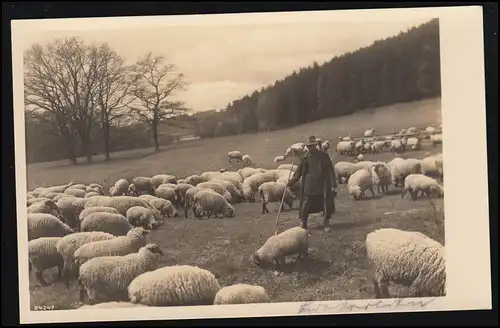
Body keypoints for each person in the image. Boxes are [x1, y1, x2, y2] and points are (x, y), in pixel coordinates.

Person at [287, 136, 337, 232]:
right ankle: (303, 222)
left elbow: (330, 170)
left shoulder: (323, 156)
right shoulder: (305, 158)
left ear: (315, 145)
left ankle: (326, 224)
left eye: (312, 146)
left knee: (325, 203)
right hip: (309, 185)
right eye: (309, 146)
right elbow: (298, 173)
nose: (310, 148)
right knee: (306, 204)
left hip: (322, 184)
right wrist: (290, 183)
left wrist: (333, 184)